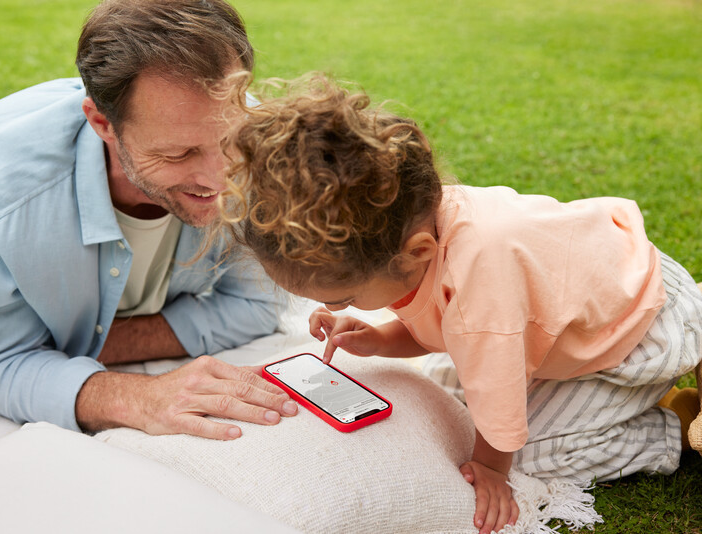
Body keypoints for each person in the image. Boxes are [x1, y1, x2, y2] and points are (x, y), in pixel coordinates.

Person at [217, 74, 702, 534]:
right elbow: (443, 326)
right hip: (567, 321)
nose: (342, 308)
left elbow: (499, 387)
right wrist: (381, 338)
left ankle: (673, 421)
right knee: (450, 389)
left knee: (530, 453)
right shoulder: (406, 227)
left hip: (636, 329)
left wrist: (491, 469)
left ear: (417, 254)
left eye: (345, 298)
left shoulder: (480, 282)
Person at [0, 0, 299, 442]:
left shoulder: (256, 142)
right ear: (101, 123)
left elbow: (256, 305)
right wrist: (137, 396)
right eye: (178, 153)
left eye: (228, 139)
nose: (220, 179)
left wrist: (76, 349)